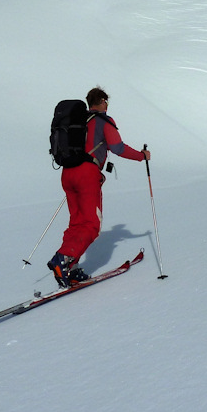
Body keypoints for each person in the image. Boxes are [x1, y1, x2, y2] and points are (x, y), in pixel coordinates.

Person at [47, 88, 150, 288]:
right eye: (106, 102)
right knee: (92, 224)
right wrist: (141, 155)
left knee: (77, 222)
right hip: (86, 174)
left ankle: (70, 266)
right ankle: (63, 259)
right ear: (102, 101)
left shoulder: (78, 121)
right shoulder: (103, 121)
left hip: (67, 173)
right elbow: (118, 148)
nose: (107, 105)